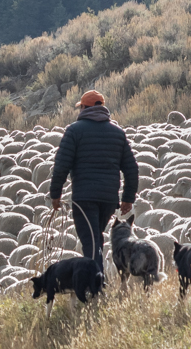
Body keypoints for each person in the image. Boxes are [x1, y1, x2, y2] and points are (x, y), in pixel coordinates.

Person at [48, 90, 139, 268]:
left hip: (84, 198)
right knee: (96, 238)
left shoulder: (74, 131)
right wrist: (128, 198)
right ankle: (98, 281)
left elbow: (61, 166)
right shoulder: (117, 133)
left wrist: (55, 194)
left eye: (80, 107)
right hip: (108, 198)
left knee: (91, 242)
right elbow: (131, 168)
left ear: (83, 107)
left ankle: (95, 285)